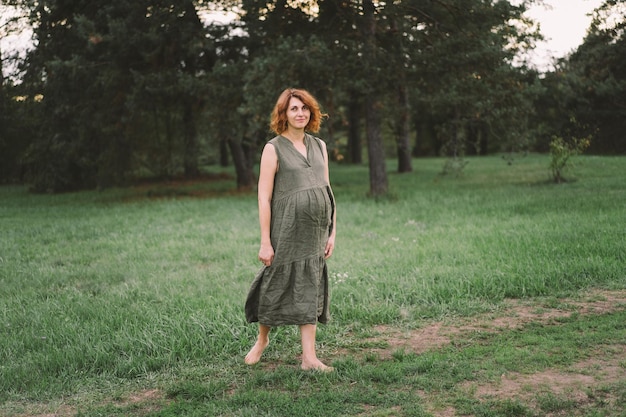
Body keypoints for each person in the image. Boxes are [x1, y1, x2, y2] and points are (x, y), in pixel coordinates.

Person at [244, 88, 336, 372]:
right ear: (283, 114)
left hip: (316, 231)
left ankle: (309, 358)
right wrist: (264, 241)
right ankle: (262, 340)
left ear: (312, 112)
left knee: (311, 285)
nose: (300, 113)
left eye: (305, 108)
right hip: (285, 230)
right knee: (276, 284)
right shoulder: (273, 148)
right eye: (294, 109)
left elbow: (328, 189)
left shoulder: (319, 146)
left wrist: (333, 232)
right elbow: (264, 197)